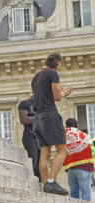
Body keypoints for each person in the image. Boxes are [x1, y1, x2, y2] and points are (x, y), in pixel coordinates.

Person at [31, 53, 71, 195]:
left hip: (37, 118)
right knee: (62, 150)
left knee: (45, 152)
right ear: (58, 63)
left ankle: (46, 184)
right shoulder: (53, 74)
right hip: (49, 116)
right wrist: (65, 92)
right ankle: (51, 182)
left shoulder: (36, 77)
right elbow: (57, 97)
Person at [63, 118, 93, 201]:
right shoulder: (84, 135)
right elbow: (92, 149)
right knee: (86, 194)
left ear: (66, 126)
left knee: (73, 196)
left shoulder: (62, 136)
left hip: (70, 168)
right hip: (84, 168)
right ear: (77, 126)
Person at [18, 94, 41, 181]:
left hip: (41, 138)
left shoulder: (43, 105)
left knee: (41, 166)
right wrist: (38, 118)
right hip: (30, 136)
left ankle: (40, 186)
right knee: (33, 163)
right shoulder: (25, 103)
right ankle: (30, 182)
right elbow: (23, 119)